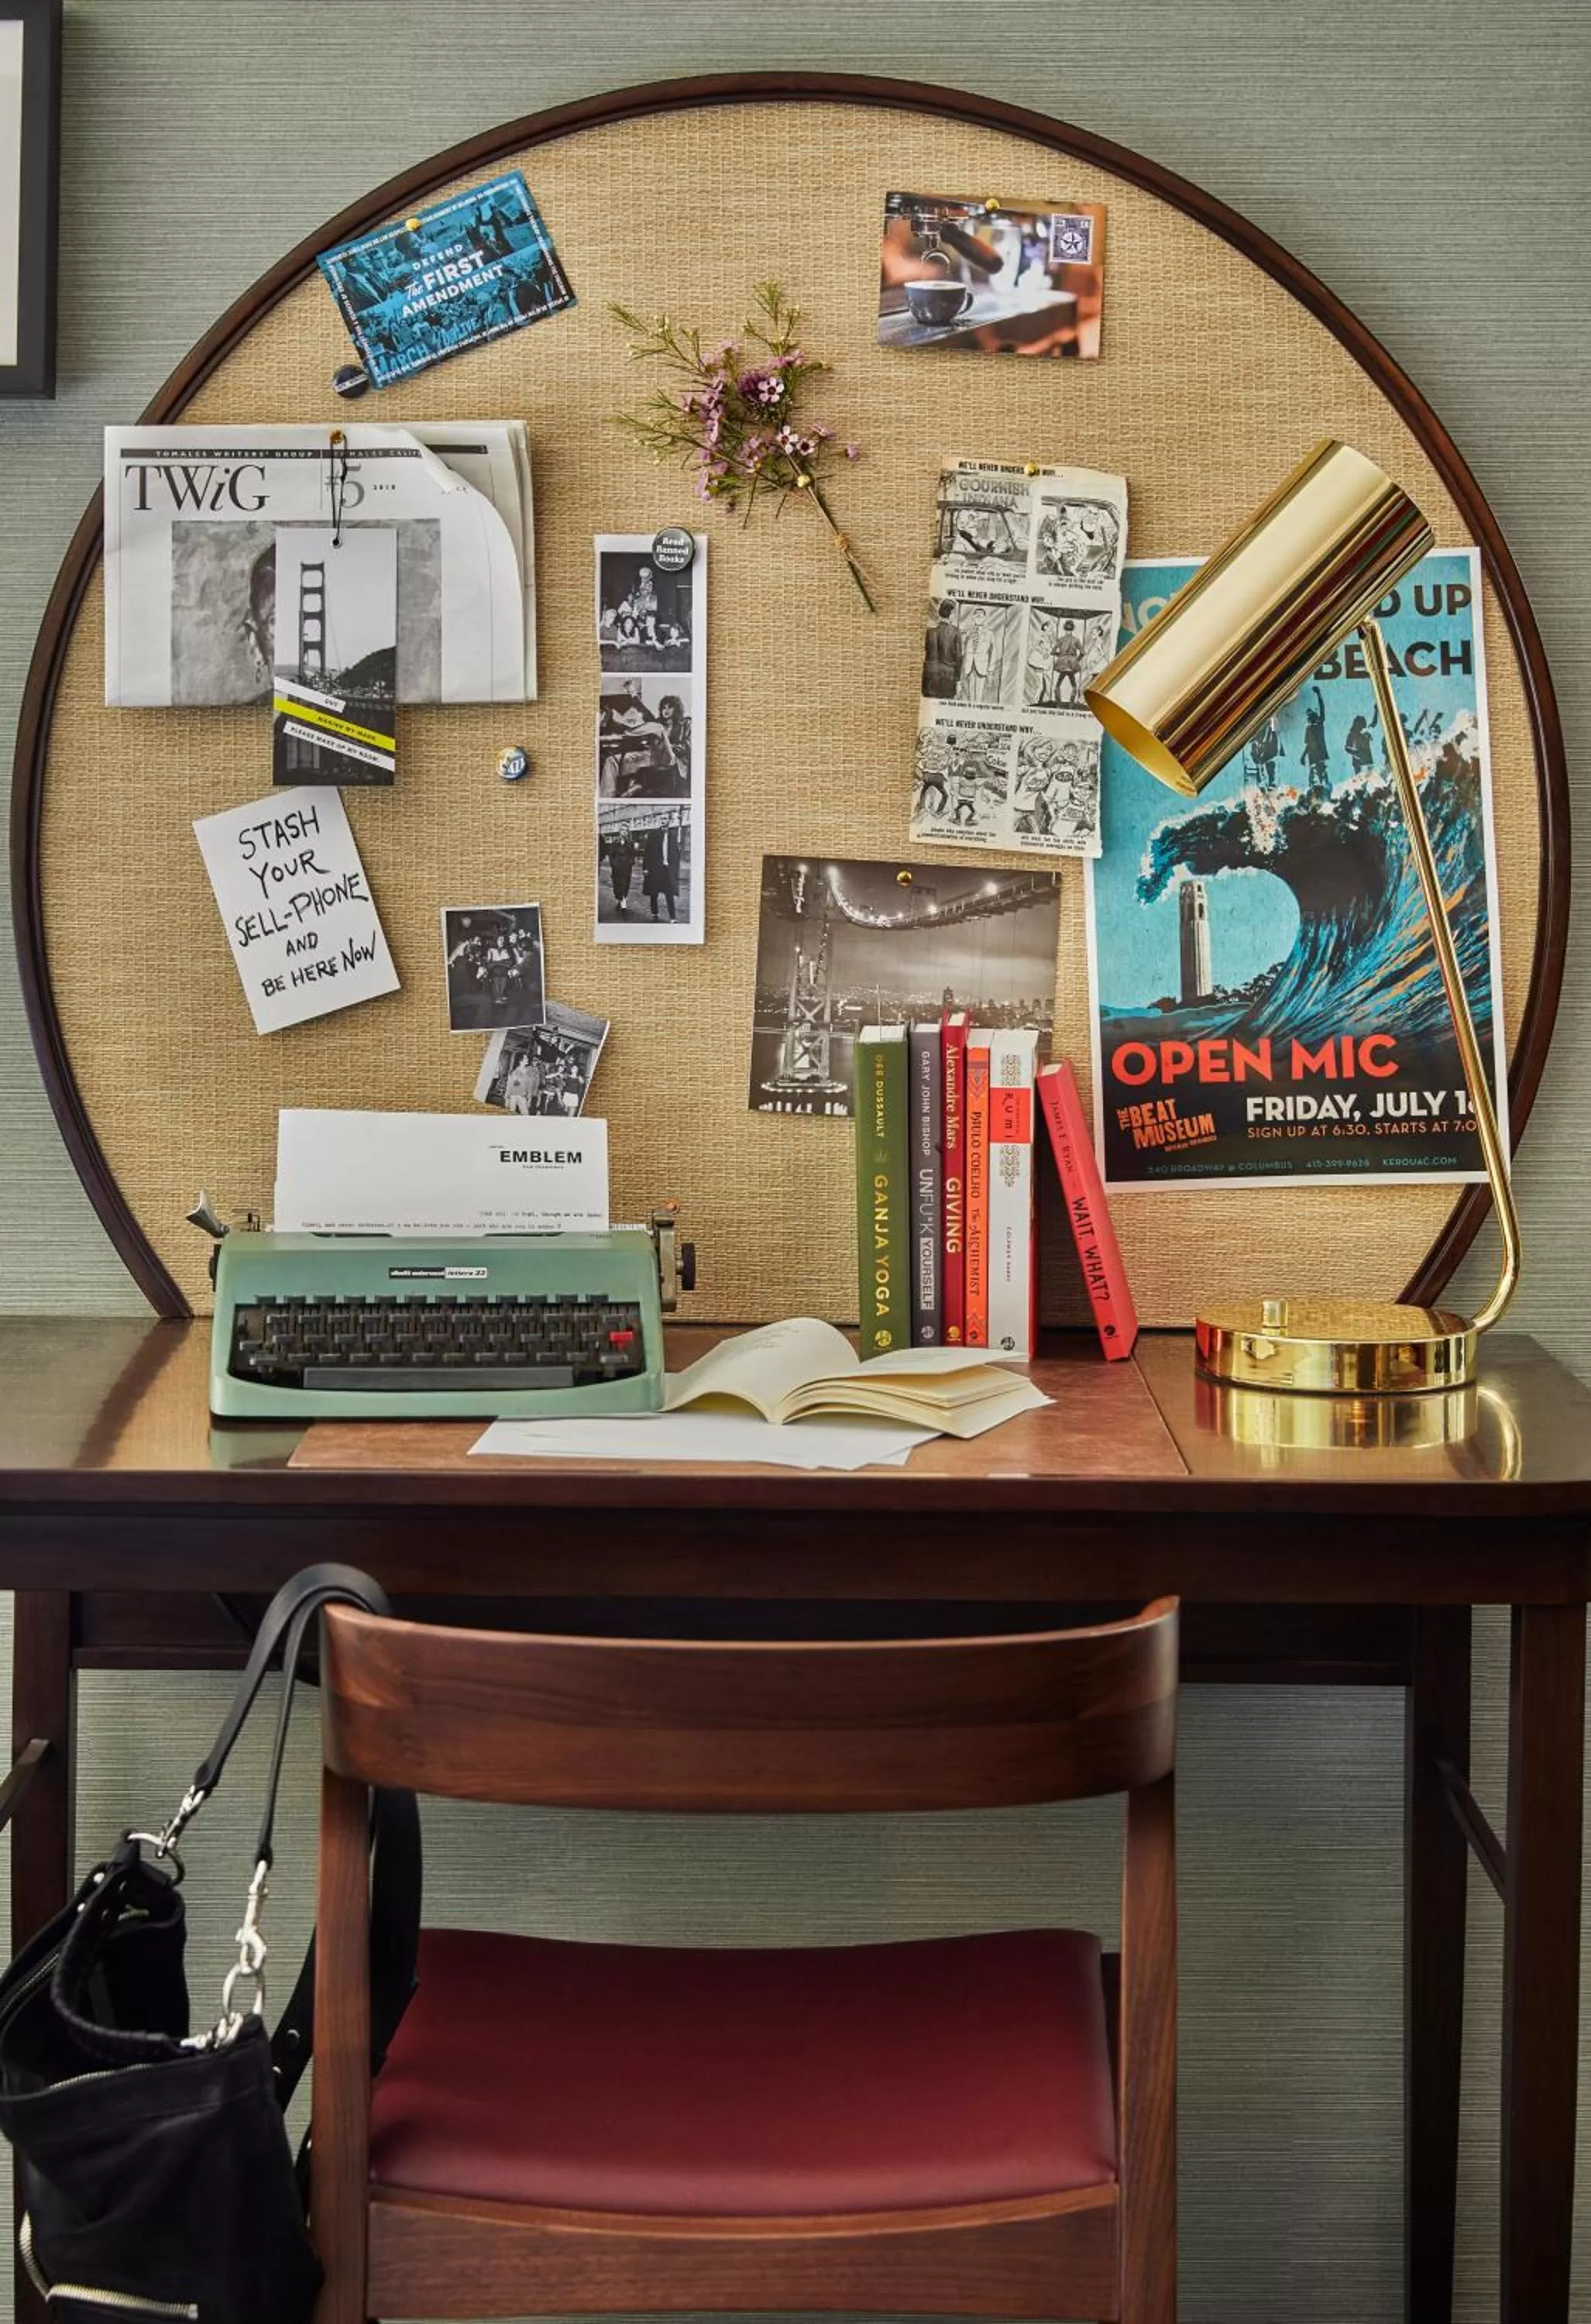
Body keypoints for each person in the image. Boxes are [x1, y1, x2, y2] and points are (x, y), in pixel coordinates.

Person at [922, 599, 964, 699]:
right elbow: (958, 658)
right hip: (947, 677)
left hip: (929, 676)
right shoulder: (956, 632)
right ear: (952, 614)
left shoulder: (929, 632)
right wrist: (958, 681)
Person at [1299, 686, 1330, 795]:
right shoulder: (1309, 728)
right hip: (1313, 754)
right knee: (1313, 772)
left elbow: (1322, 708)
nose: (1310, 717)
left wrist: (1318, 694)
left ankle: (1324, 787)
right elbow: (1308, 745)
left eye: (1311, 714)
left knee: (1321, 771)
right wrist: (1303, 756)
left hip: (1320, 752)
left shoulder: (1319, 724)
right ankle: (1312, 789)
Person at [1344, 712, 1376, 776]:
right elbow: (1347, 748)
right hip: (1359, 763)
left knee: (1369, 780)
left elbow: (1374, 724)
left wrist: (1376, 710)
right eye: (1361, 725)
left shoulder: (1366, 733)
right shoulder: (1352, 735)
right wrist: (1356, 754)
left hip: (1368, 762)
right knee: (1361, 780)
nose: (1362, 727)